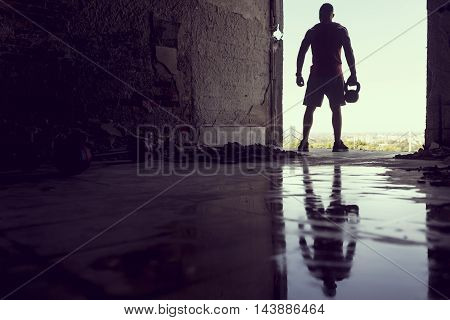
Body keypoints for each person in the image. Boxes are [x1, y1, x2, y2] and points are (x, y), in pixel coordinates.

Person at [296, 3, 358, 152]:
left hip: (316, 74)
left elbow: (301, 52)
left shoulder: (312, 31)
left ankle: (304, 142)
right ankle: (337, 143)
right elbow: (349, 52)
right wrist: (353, 74)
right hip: (334, 74)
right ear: (332, 15)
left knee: (310, 108)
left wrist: (298, 73)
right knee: (335, 109)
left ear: (319, 15)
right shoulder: (340, 30)